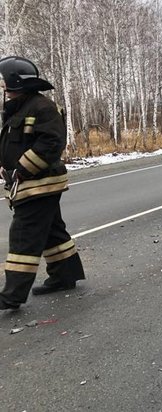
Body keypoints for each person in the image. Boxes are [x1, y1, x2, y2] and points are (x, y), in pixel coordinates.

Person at [0, 56, 85, 310]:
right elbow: (15, 143)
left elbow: (51, 143)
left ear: (16, 81)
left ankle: (12, 295)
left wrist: (21, 170)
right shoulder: (21, 107)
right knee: (52, 232)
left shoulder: (41, 107)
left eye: (5, 81)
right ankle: (64, 276)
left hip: (39, 184)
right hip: (32, 183)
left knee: (24, 237)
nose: (2, 86)